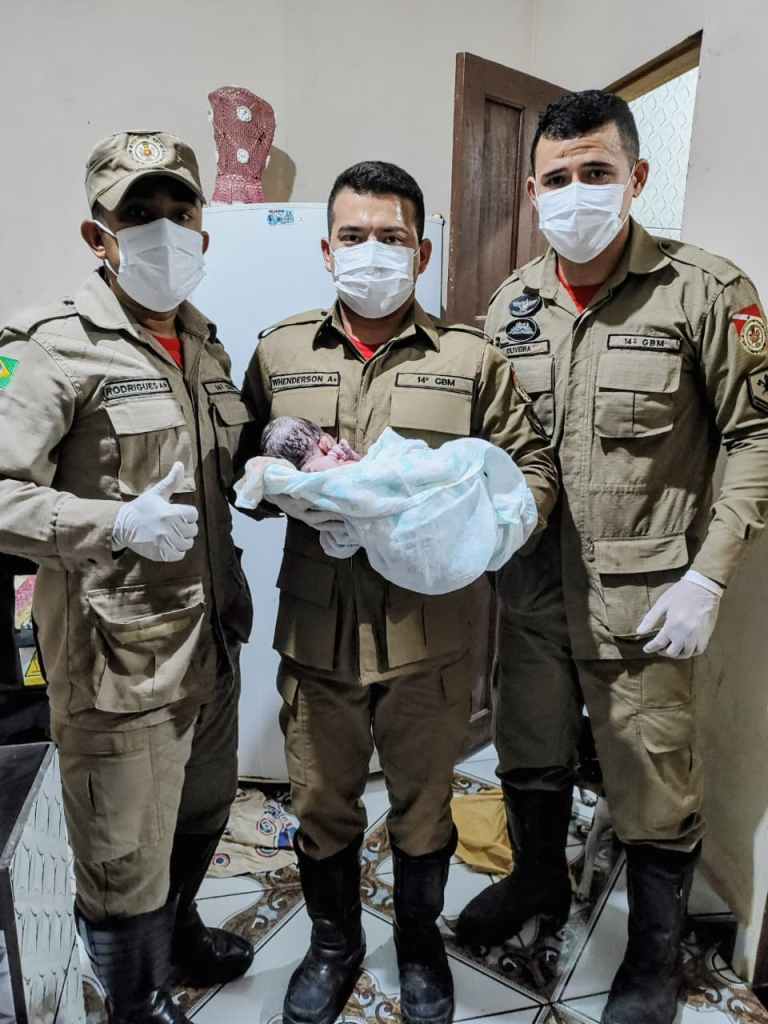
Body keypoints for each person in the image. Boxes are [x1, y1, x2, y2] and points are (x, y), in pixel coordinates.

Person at [456, 91, 768, 1024]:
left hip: (647, 603)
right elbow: (497, 448)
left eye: (596, 172)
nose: (576, 192)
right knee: (529, 752)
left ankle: (654, 955)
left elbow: (755, 435)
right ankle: (536, 884)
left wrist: (710, 574)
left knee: (654, 784)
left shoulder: (706, 290)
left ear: (636, 178)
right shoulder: (511, 304)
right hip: (530, 596)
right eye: (557, 178)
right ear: (531, 191)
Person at [237, 160, 559, 1024]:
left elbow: (530, 469)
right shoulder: (279, 350)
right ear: (326, 248)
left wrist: (492, 531)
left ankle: (418, 944)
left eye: (391, 237)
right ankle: (333, 945)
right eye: (353, 236)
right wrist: (286, 493)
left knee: (424, 806)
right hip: (317, 632)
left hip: (432, 634)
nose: (371, 252)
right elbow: (245, 464)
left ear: (421, 253)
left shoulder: (470, 359)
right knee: (320, 802)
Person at [0, 131, 256, 1024]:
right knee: (123, 854)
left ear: (203, 231)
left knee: (201, 808)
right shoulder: (48, 347)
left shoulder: (207, 346)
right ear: (97, 235)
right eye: (138, 213)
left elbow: (223, 473)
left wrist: (281, 468)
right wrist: (109, 523)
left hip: (212, 642)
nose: (163, 229)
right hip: (118, 663)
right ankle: (134, 1001)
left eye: (178, 211)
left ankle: (179, 935)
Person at [260, 416, 362, 470]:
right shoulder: (331, 463)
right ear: (324, 443)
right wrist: (353, 457)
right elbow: (364, 472)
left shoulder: (296, 481)